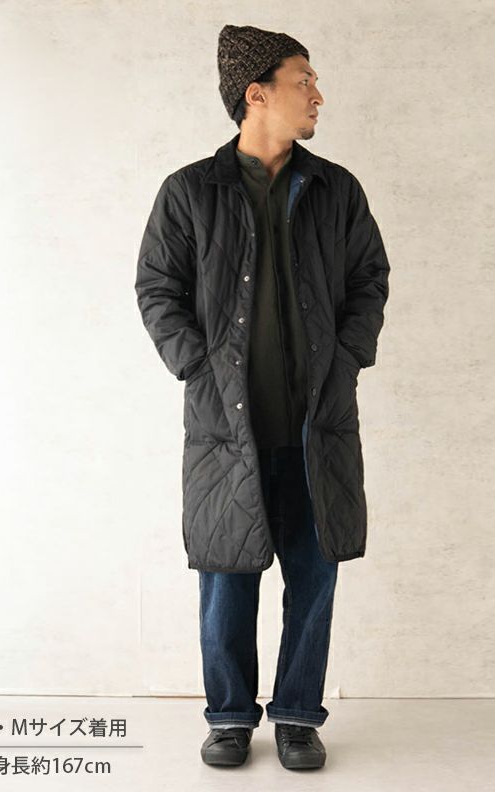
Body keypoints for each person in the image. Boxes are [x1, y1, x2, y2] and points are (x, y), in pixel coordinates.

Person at [135, 23, 390, 771]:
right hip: (227, 428)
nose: (317, 95)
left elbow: (369, 280)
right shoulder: (191, 191)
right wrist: (198, 367)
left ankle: (298, 716)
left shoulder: (336, 190)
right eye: (304, 80)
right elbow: (157, 289)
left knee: (314, 576)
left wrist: (347, 359)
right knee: (227, 576)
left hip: (317, 424)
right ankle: (228, 717)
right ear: (257, 93)